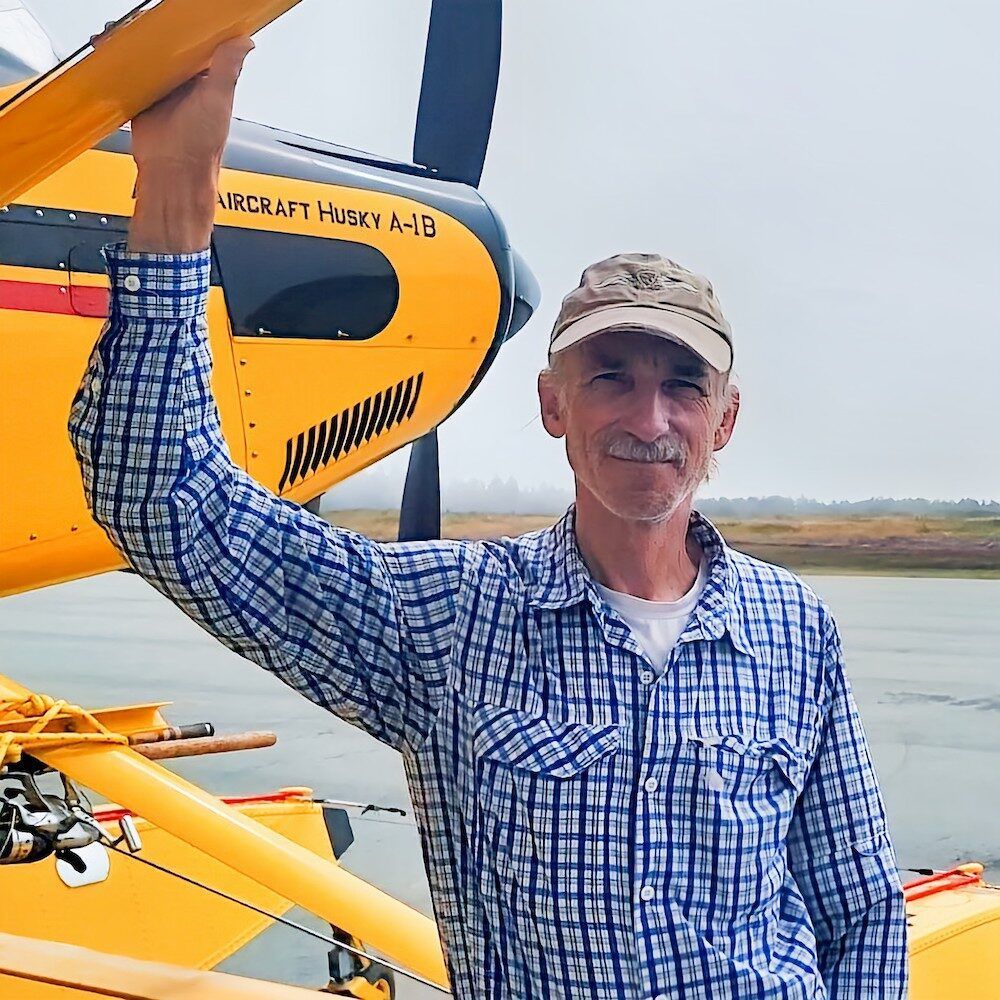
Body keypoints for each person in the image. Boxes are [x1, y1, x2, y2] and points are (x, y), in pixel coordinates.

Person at [68, 39, 907, 1000]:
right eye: (610, 379)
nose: (649, 420)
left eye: (684, 386)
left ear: (725, 419)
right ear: (554, 404)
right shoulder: (450, 618)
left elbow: (860, 913)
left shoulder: (794, 630)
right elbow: (166, 504)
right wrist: (178, 189)